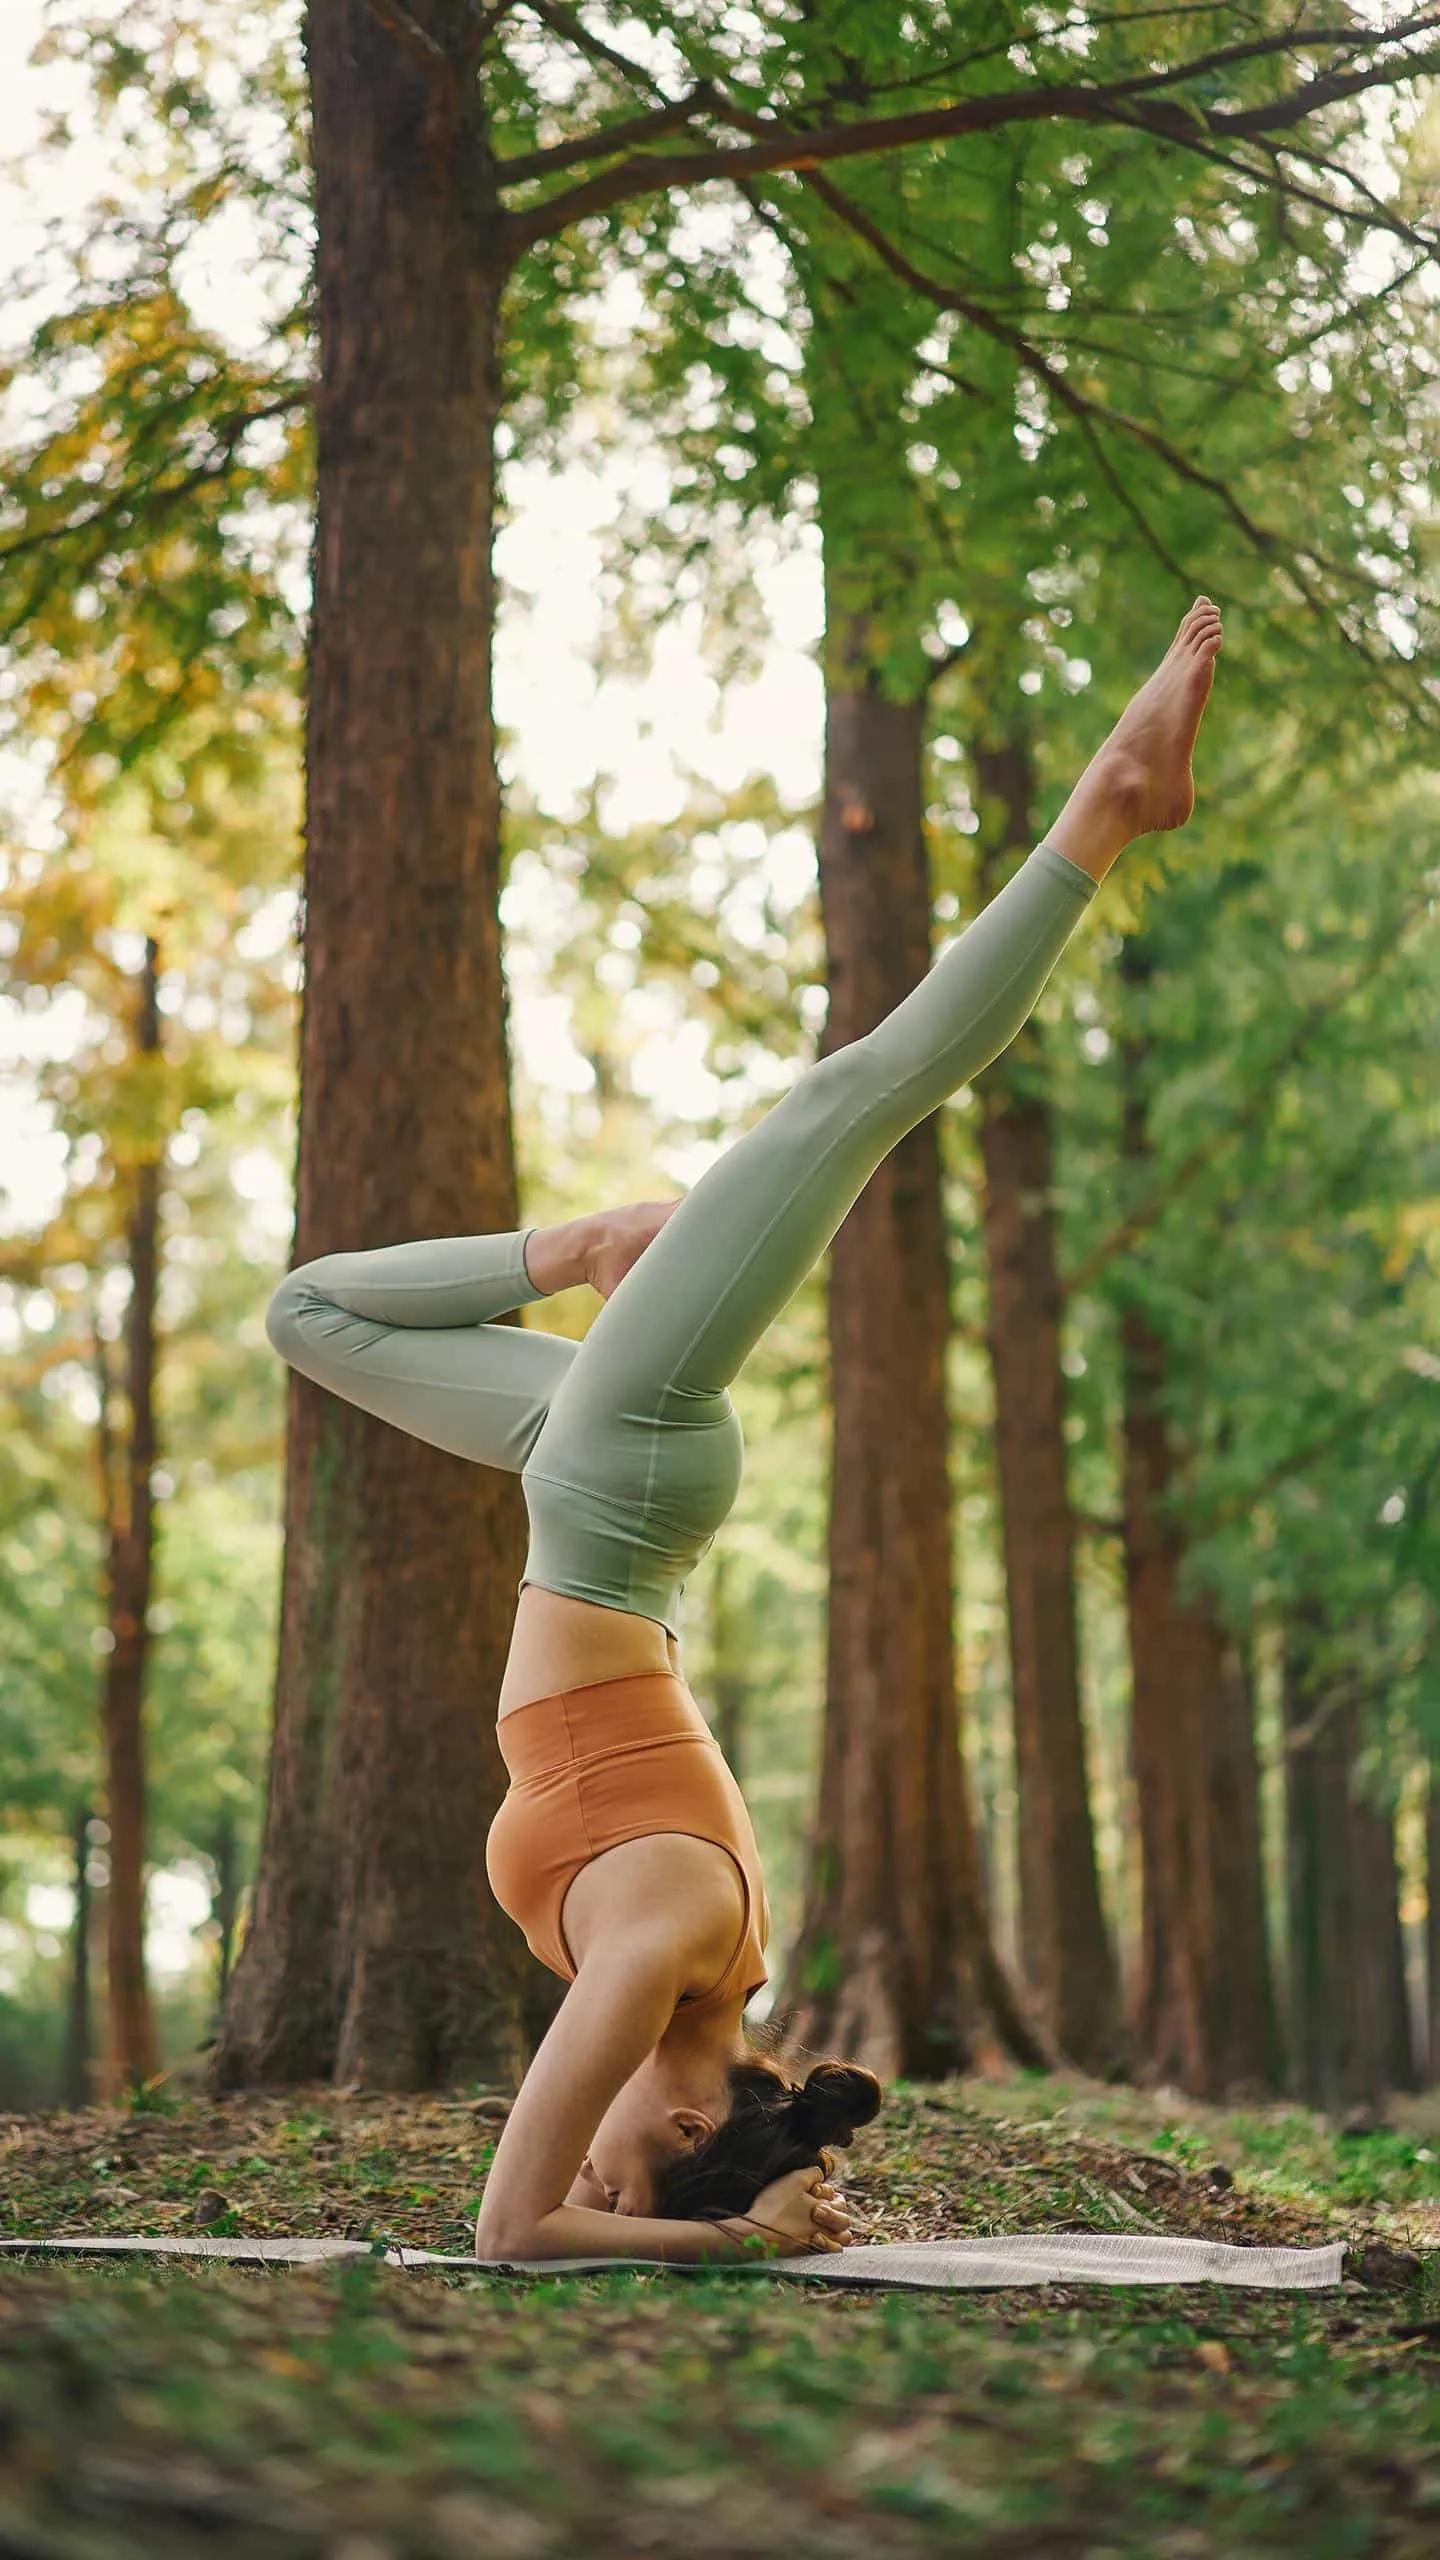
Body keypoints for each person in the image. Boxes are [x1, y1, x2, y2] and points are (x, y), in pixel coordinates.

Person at [265, 600, 1223, 2262]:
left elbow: (557, 2203)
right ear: (687, 2121)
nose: (581, 2157)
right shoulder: (664, 1950)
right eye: (617, 2166)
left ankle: (579, 1248)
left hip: (598, 1494)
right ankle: (1110, 803)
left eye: (600, 2176)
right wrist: (727, 2240)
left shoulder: (694, 1968)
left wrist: (746, 2207)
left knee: (308, 1317)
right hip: (613, 1481)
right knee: (851, 1095)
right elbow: (513, 2237)